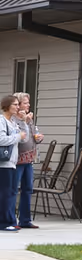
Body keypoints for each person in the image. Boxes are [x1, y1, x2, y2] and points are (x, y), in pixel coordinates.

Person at [14, 93, 44, 230]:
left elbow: (33, 134)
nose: (28, 105)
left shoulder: (29, 119)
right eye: (25, 103)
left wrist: (38, 137)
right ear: (18, 105)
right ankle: (10, 219)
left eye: (28, 103)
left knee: (27, 189)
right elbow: (20, 138)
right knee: (13, 190)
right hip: (17, 160)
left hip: (29, 160)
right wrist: (24, 121)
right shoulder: (13, 120)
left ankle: (25, 220)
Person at [0, 95, 22, 233]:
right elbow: (1, 140)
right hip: (3, 164)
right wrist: (18, 137)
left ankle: (9, 220)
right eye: (15, 104)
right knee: (5, 194)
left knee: (11, 193)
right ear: (7, 106)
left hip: (12, 163)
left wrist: (23, 121)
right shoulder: (2, 121)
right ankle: (3, 222)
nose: (17, 107)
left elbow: (23, 140)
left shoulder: (13, 122)